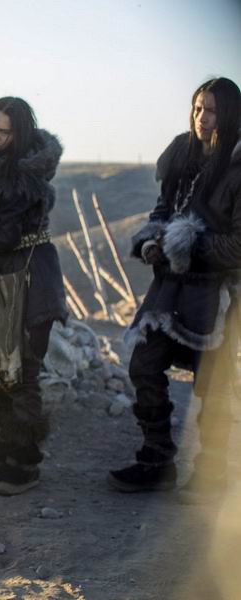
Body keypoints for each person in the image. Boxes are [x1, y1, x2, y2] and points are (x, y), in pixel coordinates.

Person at [110, 77, 241, 500]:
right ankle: (156, 461)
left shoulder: (238, 167)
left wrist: (187, 243)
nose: (203, 118)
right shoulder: (182, 155)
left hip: (216, 292)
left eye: (213, 110)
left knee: (213, 384)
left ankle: (212, 474)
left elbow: (238, 245)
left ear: (230, 115)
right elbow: (164, 210)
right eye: (198, 108)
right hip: (170, 288)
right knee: (143, 365)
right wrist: (152, 241)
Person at [0, 97, 68, 496]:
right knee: (2, 369)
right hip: (8, 276)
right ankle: (10, 450)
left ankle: (24, 459)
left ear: (18, 135)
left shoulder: (20, 176)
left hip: (30, 278)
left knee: (22, 371)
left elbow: (3, 235)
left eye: (5, 132)